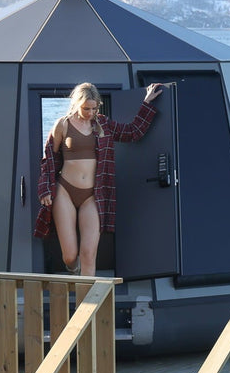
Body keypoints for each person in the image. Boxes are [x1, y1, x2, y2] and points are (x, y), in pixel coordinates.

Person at [33, 82, 164, 274]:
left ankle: (86, 303)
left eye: (94, 108)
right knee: (70, 255)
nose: (90, 112)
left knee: (88, 254)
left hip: (93, 196)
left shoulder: (103, 124)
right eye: (86, 108)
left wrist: (147, 103)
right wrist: (45, 188)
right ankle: (72, 268)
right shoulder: (62, 124)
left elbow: (133, 132)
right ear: (77, 104)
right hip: (65, 192)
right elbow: (48, 159)